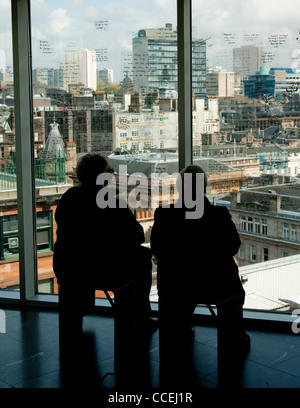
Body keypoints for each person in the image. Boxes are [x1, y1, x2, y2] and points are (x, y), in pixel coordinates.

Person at [151, 165, 250, 384]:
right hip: (215, 285)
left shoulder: (164, 214)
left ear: (179, 188)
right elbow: (233, 246)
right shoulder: (218, 214)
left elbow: (157, 249)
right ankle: (235, 334)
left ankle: (180, 327)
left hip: (175, 285)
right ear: (203, 188)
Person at [53, 153, 156, 345]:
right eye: (110, 170)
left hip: (69, 266)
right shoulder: (112, 202)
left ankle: (75, 320)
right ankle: (141, 317)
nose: (113, 173)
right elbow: (137, 236)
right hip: (104, 270)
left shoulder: (69, 198)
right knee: (143, 257)